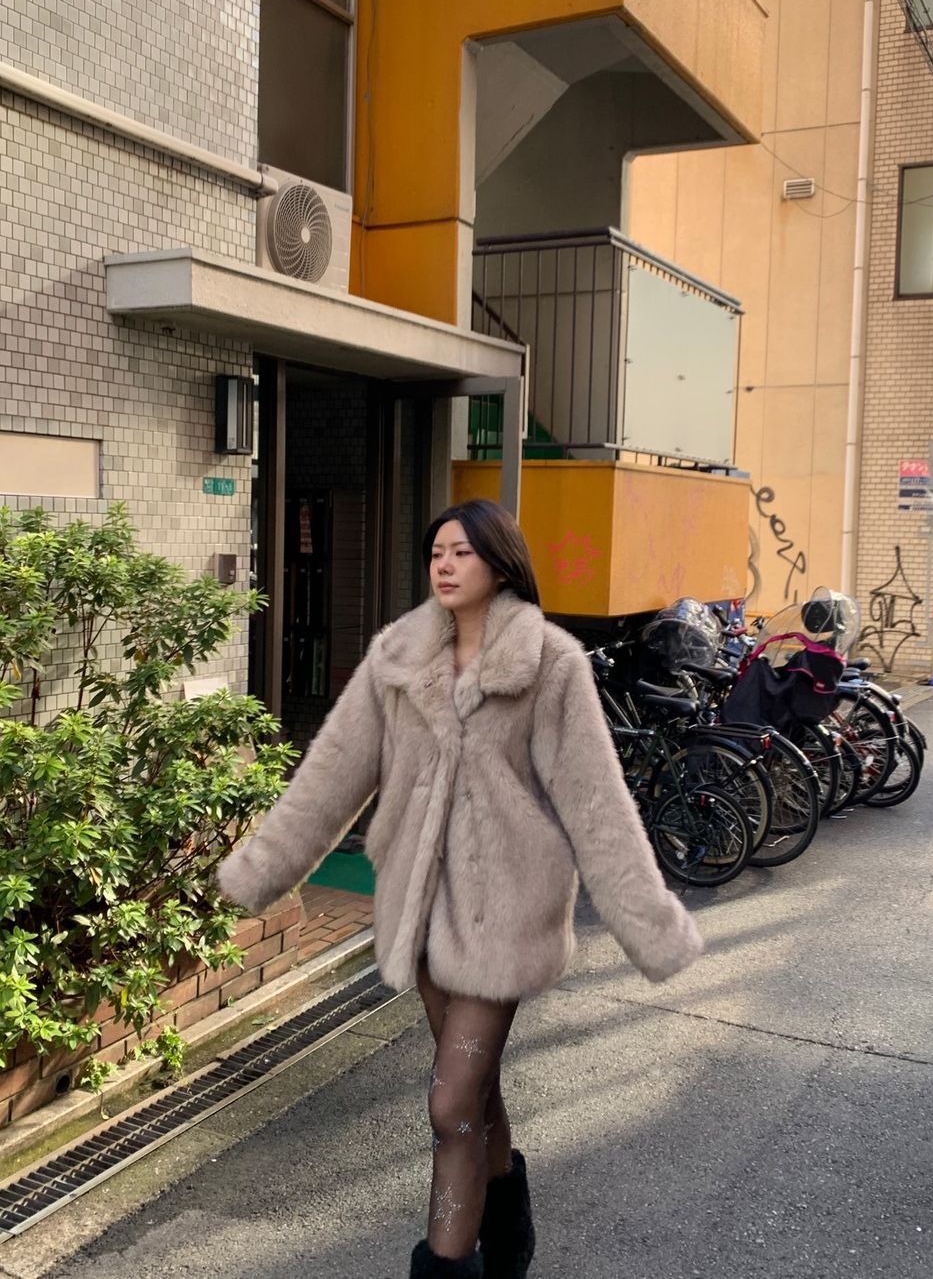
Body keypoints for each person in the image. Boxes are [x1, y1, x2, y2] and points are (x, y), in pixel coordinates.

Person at [216, 498, 703, 1278]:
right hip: (420, 908)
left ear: (500, 565)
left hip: (506, 911)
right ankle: (510, 1235)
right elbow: (331, 776)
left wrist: (651, 925)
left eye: (462, 552)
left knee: (449, 1107)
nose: (444, 565)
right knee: (474, 1093)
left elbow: (596, 804)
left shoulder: (550, 663)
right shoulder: (397, 658)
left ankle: (447, 1267)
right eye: (436, 552)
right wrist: (254, 873)